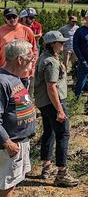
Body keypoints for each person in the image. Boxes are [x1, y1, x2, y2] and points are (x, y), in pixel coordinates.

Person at [34, 31, 79, 187]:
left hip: (44, 103)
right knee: (63, 134)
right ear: (52, 44)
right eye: (60, 42)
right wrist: (59, 110)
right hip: (53, 102)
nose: (63, 44)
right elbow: (51, 87)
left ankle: (46, 166)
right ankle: (62, 173)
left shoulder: (43, 57)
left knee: (49, 131)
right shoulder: (51, 62)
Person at [0, 39, 36, 197]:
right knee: (5, 187)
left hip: (19, 143)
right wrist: (7, 142)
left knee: (11, 184)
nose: (32, 59)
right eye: (30, 56)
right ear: (19, 59)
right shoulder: (3, 82)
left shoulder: (15, 78)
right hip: (10, 146)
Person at [0, 8, 37, 89]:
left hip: (23, 74)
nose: (12, 19)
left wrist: (33, 68)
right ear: (4, 18)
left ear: (18, 17)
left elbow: (34, 50)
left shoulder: (26, 30)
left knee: (22, 100)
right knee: (6, 99)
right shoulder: (1, 31)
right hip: (5, 73)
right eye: (9, 17)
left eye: (14, 16)